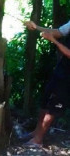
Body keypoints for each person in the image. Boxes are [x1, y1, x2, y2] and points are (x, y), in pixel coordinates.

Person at [24, 20, 70, 148]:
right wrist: (36, 27)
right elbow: (58, 32)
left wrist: (54, 41)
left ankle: (38, 140)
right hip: (62, 69)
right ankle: (35, 133)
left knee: (54, 106)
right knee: (45, 102)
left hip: (68, 77)